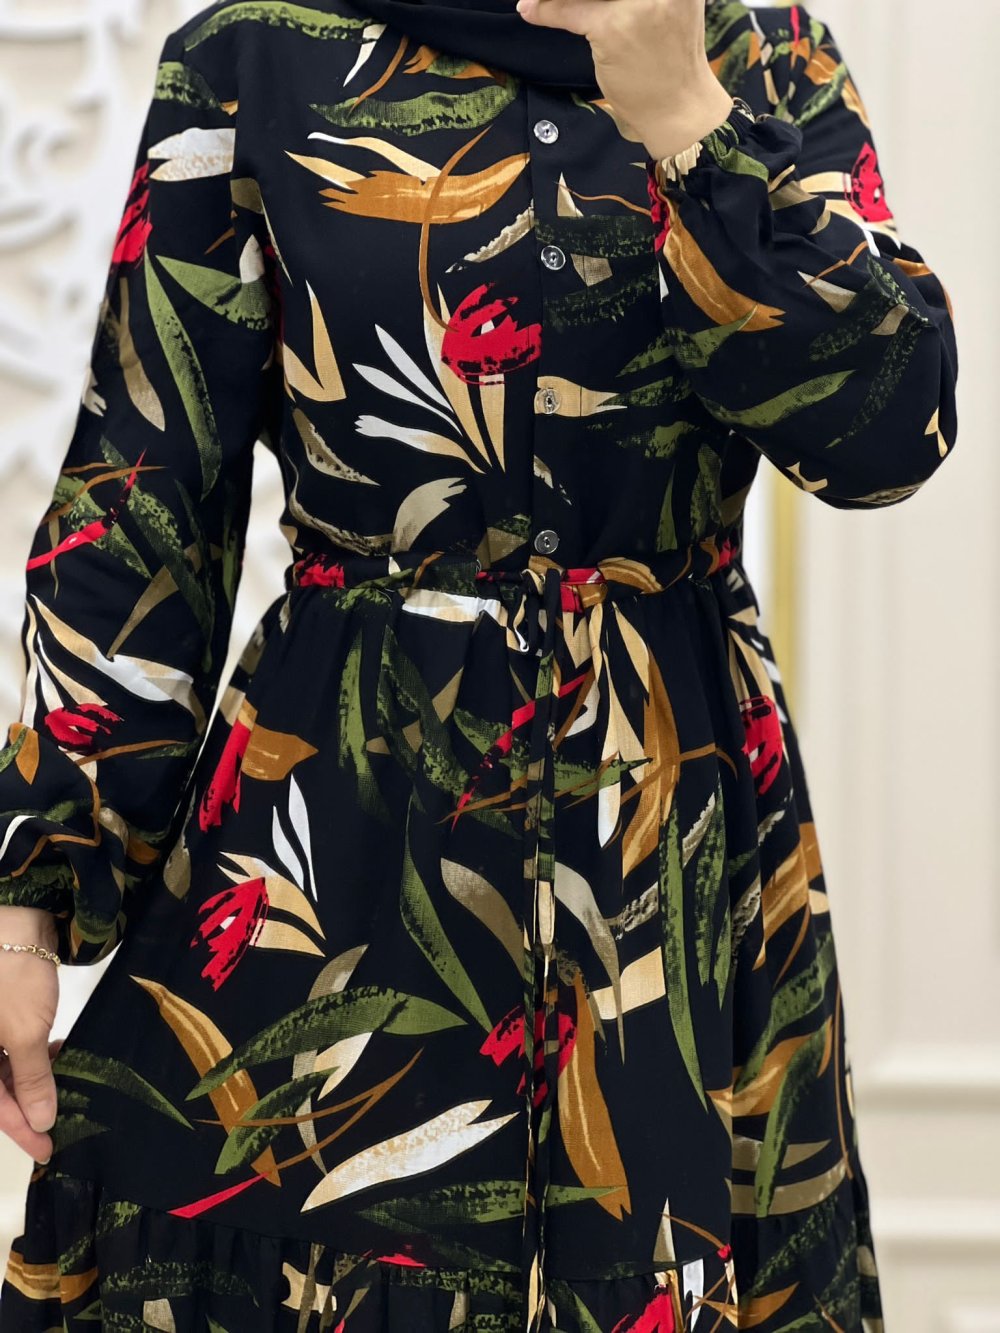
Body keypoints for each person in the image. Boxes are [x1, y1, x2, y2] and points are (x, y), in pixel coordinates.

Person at [0, 0, 957, 1326]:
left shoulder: (753, 49)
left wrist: (688, 122)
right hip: (341, 846)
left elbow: (889, 434)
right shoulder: (255, 56)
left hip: (667, 848)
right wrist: (32, 899)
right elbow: (144, 492)